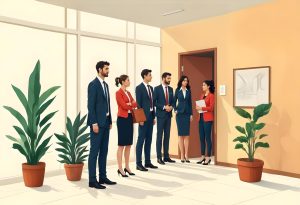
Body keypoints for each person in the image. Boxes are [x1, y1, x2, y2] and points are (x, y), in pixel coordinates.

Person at [87, 61, 117, 189]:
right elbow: (91, 106)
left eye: (108, 68)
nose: (108, 71)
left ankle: (102, 177)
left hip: (105, 123)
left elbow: (107, 105)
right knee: (94, 152)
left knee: (104, 151)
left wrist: (110, 120)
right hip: (97, 124)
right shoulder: (93, 85)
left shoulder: (106, 85)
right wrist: (94, 122)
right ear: (100, 69)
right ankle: (92, 180)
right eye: (106, 69)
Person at [135, 69, 158, 171]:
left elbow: (152, 104)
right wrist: (140, 119)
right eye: (149, 75)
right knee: (141, 140)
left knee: (149, 140)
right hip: (143, 118)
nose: (151, 77)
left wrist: (153, 117)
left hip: (150, 118)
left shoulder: (151, 88)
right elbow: (138, 104)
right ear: (145, 76)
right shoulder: (139, 88)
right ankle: (138, 163)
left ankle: (147, 162)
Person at [115, 75, 137, 177]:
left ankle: (127, 166)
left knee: (128, 144)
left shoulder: (128, 93)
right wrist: (129, 104)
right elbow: (123, 106)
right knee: (121, 145)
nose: (129, 81)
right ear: (123, 82)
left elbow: (135, 103)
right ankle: (120, 168)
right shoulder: (118, 93)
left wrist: (129, 104)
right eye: (128, 80)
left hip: (129, 119)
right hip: (122, 120)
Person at [154, 72, 176, 165]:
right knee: (159, 136)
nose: (169, 80)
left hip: (168, 116)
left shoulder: (171, 89)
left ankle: (166, 156)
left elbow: (174, 101)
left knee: (167, 136)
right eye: (168, 78)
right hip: (160, 116)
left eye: (170, 78)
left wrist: (171, 107)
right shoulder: (157, 89)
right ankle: (159, 157)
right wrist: (164, 107)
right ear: (163, 78)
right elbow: (154, 102)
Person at [174, 76, 193, 163]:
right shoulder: (177, 90)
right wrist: (175, 110)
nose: (186, 82)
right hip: (179, 115)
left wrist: (191, 114)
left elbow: (190, 103)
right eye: (184, 80)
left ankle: (186, 155)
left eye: (187, 81)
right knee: (180, 135)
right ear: (181, 81)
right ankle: (182, 155)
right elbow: (174, 101)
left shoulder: (189, 91)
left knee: (187, 135)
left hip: (187, 114)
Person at [196, 80, 215, 165]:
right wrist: (197, 107)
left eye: (204, 85)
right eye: (202, 85)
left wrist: (202, 108)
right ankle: (202, 156)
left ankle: (208, 157)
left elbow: (211, 108)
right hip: (201, 119)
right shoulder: (202, 95)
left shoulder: (211, 96)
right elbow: (200, 106)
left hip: (208, 119)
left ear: (208, 86)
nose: (202, 86)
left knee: (208, 138)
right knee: (201, 138)